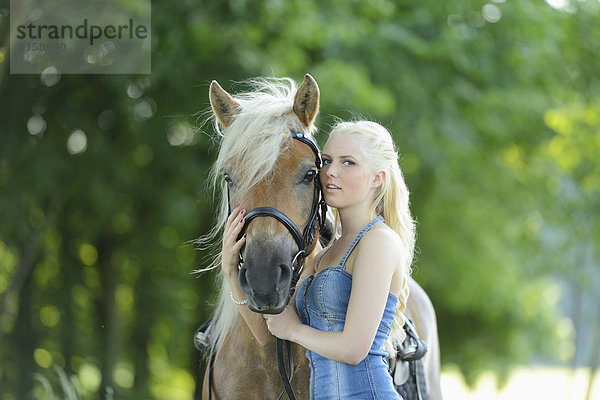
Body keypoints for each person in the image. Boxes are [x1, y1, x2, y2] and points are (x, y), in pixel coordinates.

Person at [222, 120, 416, 399]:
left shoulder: (378, 241)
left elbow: (354, 349)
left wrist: (296, 331)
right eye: (326, 161)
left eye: (348, 163)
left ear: (378, 178)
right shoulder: (322, 256)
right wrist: (231, 271)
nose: (331, 172)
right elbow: (269, 336)